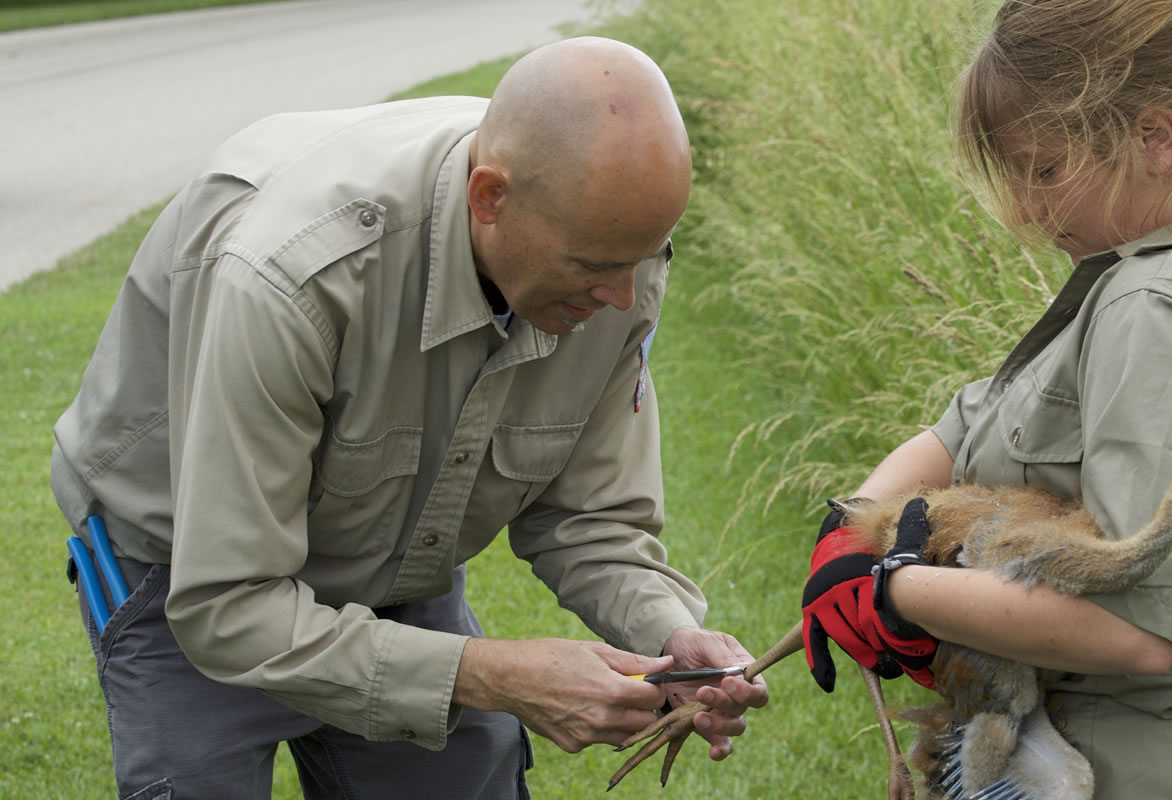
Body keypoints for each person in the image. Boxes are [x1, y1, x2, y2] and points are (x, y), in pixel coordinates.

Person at [50, 36, 767, 800]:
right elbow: (229, 605)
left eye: (644, 258)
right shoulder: (291, 278)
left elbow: (591, 521)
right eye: (595, 267)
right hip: (183, 568)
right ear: (489, 197)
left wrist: (668, 635)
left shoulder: (611, 248)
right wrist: (490, 675)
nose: (623, 299)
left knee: (467, 773)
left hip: (392, 557)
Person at [800, 1, 1172, 797]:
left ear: (1157, 138)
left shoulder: (1166, 315)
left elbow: (1130, 628)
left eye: (1046, 168)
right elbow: (978, 419)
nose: (1024, 208)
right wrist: (850, 528)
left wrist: (889, 590)